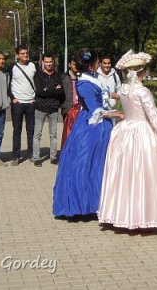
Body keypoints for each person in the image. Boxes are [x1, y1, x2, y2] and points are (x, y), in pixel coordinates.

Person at [98, 51, 157, 230]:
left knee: (125, 176)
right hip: (142, 134)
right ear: (141, 72)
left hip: (124, 134)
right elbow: (154, 118)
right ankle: (143, 216)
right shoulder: (142, 92)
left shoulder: (123, 90)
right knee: (143, 175)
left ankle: (123, 214)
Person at [52, 49, 120, 218]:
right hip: (91, 127)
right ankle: (82, 204)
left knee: (96, 164)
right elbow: (96, 109)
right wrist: (116, 114)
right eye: (97, 62)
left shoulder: (92, 80)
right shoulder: (83, 83)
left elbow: (101, 94)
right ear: (90, 65)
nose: (98, 65)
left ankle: (97, 202)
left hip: (99, 126)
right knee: (86, 164)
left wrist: (116, 95)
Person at [32, 53, 65, 167]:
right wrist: (53, 90)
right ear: (43, 63)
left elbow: (61, 92)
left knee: (53, 134)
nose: (49, 64)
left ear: (53, 62)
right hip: (40, 108)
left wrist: (48, 90)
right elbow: (39, 91)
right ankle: (36, 158)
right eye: (46, 62)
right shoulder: (39, 75)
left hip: (53, 109)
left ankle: (53, 156)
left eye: (50, 61)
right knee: (37, 134)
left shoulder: (57, 76)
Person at [8, 46, 36, 166]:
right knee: (17, 130)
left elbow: (38, 81)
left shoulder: (34, 66)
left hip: (30, 103)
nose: (25, 55)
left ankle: (31, 154)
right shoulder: (12, 67)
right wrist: (13, 98)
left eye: (26, 53)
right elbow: (8, 84)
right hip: (18, 104)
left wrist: (36, 98)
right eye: (22, 53)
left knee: (31, 131)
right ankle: (16, 156)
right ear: (17, 55)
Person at [60, 55, 79, 155]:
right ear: (69, 65)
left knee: (78, 133)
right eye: (73, 64)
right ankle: (67, 153)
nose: (75, 66)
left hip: (80, 110)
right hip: (68, 109)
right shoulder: (63, 77)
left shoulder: (82, 77)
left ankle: (76, 153)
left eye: (77, 64)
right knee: (67, 133)